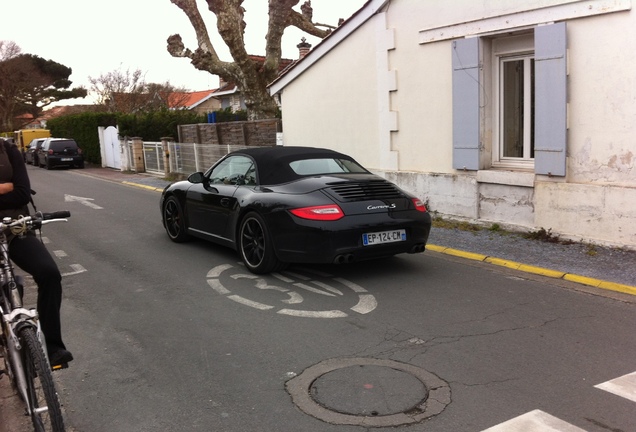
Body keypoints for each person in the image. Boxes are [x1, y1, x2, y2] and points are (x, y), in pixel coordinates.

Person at [0, 138, 72, 367]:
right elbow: (13, 189)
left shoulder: (8, 149)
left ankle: (53, 348)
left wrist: (12, 188)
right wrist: (4, 187)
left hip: (13, 227)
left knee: (49, 273)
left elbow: (21, 193)